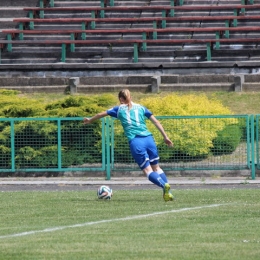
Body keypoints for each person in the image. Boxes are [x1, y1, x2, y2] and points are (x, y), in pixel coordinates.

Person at [83, 89, 174, 202]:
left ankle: (164, 186)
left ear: (121, 99)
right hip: (149, 139)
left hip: (136, 141)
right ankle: (168, 192)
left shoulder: (118, 109)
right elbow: (156, 122)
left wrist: (90, 120)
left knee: (148, 170)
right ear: (130, 96)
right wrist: (165, 137)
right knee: (157, 167)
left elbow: (100, 114)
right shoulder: (141, 107)